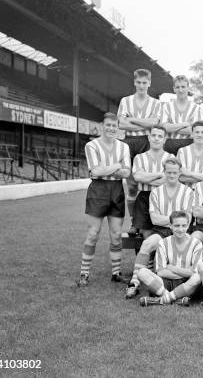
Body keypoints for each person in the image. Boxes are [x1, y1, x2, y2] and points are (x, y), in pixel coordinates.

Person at [125, 158, 195, 299]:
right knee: (146, 244)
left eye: (174, 172)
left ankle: (185, 283)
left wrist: (170, 221)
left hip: (182, 231)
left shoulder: (188, 192)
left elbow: (187, 219)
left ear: (180, 172)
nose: (171, 175)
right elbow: (154, 219)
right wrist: (176, 221)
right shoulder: (156, 192)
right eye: (168, 172)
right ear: (164, 172)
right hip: (162, 231)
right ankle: (134, 284)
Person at [78, 112, 131, 286]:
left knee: (116, 234)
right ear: (102, 125)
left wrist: (105, 168)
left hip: (116, 189)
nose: (110, 128)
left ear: (118, 128)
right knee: (93, 233)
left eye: (114, 126)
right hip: (98, 190)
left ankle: (116, 273)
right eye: (107, 125)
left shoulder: (124, 147)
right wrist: (117, 165)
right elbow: (96, 172)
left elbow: (127, 172)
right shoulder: (91, 145)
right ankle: (84, 274)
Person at [117, 68, 162, 236]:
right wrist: (144, 123)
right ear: (134, 82)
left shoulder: (156, 103)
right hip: (129, 142)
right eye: (139, 82)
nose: (142, 85)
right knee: (132, 186)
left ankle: (148, 220)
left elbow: (154, 123)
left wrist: (133, 119)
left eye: (145, 82)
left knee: (147, 184)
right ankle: (133, 223)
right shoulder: (125, 101)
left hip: (146, 142)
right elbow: (121, 124)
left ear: (149, 83)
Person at [135, 211, 203, 306]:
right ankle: (171, 298)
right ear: (170, 226)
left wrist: (172, 268)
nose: (180, 229)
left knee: (197, 277)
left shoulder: (196, 243)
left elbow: (194, 273)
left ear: (188, 226)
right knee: (141, 272)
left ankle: (162, 299)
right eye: (177, 226)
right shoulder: (163, 243)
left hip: (186, 284)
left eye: (183, 226)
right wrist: (186, 272)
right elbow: (161, 272)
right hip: (166, 283)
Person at [131, 125, 174, 239]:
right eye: (154, 135)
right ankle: (149, 256)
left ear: (164, 139)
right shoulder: (139, 157)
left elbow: (169, 179)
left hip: (165, 197)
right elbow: (138, 177)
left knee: (165, 231)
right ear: (149, 137)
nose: (156, 138)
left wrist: (147, 178)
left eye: (160, 136)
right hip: (145, 197)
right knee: (147, 233)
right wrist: (159, 175)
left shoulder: (171, 157)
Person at [161, 74, 200, 155]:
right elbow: (165, 128)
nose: (180, 90)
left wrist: (172, 127)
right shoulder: (167, 106)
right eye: (178, 87)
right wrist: (184, 124)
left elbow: (193, 131)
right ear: (174, 89)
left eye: (183, 87)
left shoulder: (196, 108)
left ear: (188, 88)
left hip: (189, 145)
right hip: (170, 144)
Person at [176, 121, 203, 188]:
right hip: (185, 191)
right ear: (192, 134)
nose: (200, 135)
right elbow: (179, 177)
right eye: (197, 132)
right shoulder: (182, 151)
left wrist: (189, 173)